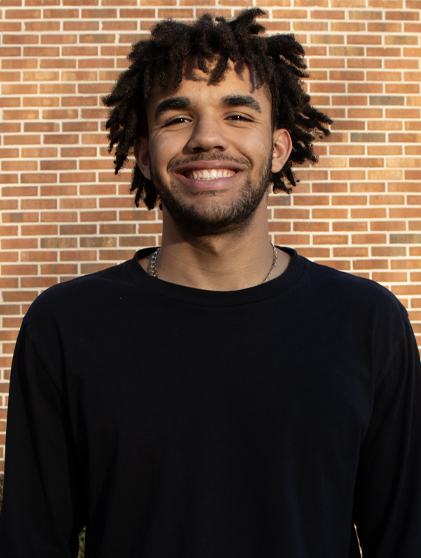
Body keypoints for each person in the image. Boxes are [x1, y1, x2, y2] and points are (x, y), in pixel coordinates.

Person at [0, 8, 420, 557]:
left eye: (238, 115)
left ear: (278, 148)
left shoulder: (366, 323)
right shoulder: (66, 326)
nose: (206, 138)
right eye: (177, 118)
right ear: (144, 154)